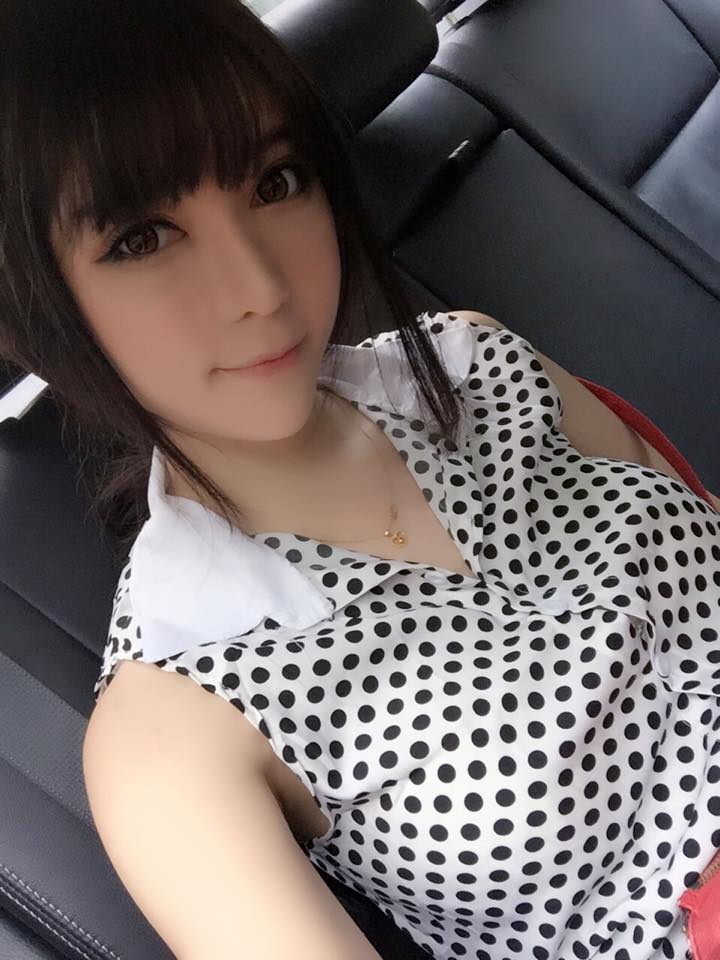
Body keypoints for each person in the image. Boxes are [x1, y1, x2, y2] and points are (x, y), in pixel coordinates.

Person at [0, 1, 718, 958]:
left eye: (276, 181)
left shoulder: (477, 361)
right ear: (33, 312)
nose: (261, 287)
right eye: (141, 238)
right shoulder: (176, 719)